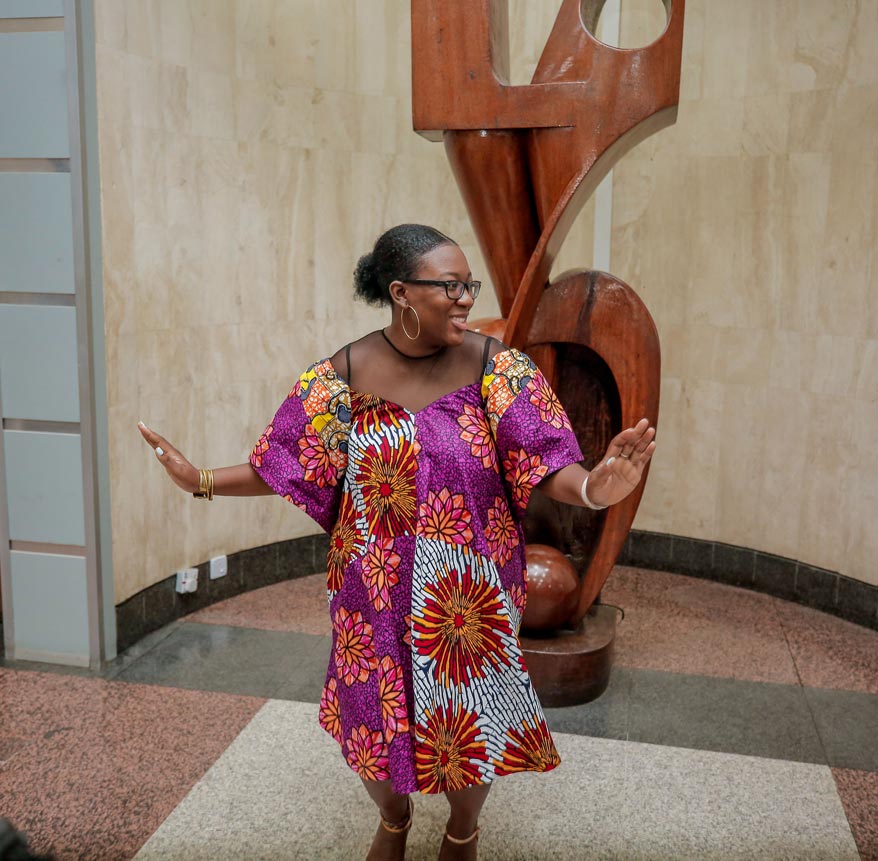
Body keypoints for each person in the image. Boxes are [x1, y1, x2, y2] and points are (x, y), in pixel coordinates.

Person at [138, 224, 656, 861]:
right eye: (450, 286)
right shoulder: (341, 376)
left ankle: (462, 829)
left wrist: (596, 489)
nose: (465, 299)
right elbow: (283, 463)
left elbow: (546, 462)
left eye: (468, 286)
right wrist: (200, 480)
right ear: (401, 292)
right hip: (371, 591)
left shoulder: (497, 368)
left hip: (467, 595)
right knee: (371, 718)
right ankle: (393, 817)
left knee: (471, 717)